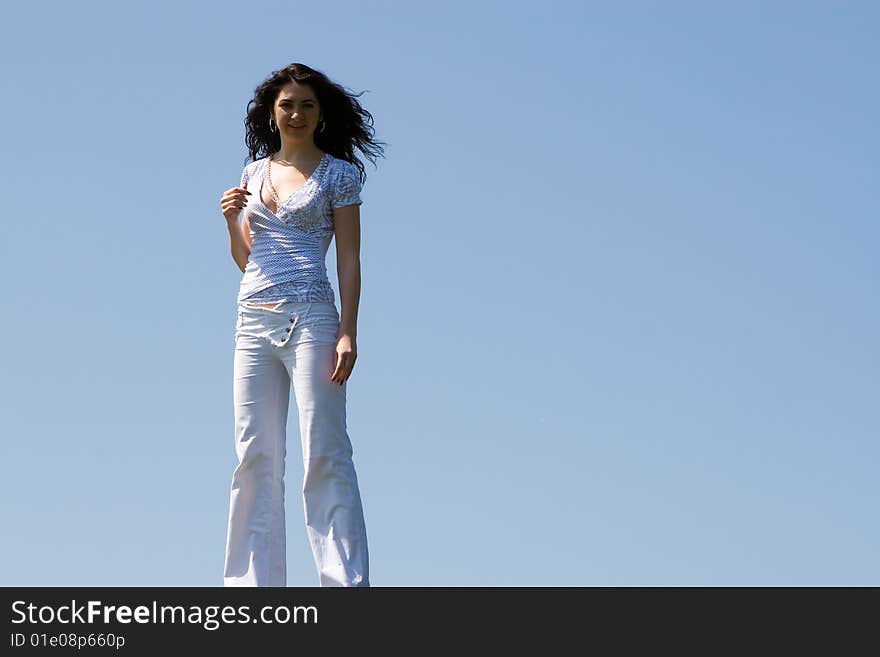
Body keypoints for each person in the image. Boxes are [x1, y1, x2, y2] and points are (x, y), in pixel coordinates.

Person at [219, 63, 385, 587]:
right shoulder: (252, 173)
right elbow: (250, 260)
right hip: (253, 322)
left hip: (313, 320)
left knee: (325, 451)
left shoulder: (339, 175)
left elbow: (350, 259)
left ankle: (343, 584)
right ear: (272, 112)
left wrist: (349, 330)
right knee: (254, 456)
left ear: (320, 114)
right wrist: (231, 222)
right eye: (287, 104)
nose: (296, 113)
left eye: (307, 105)